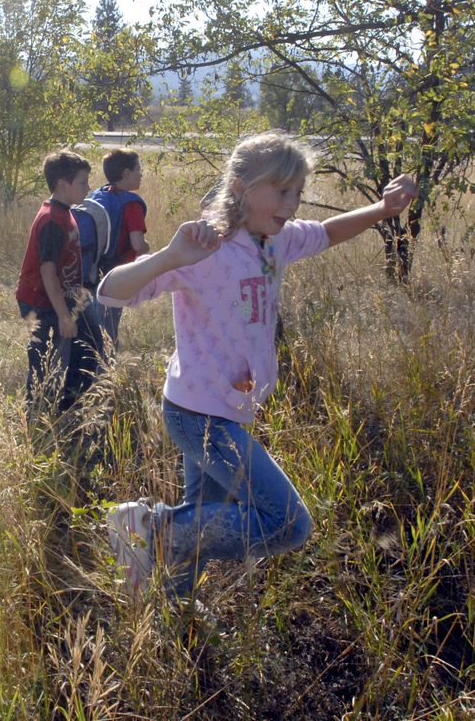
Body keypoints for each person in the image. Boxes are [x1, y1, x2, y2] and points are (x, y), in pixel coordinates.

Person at [100, 133, 416, 597]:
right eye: (281, 191)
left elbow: (327, 233)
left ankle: (172, 605)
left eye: (297, 193)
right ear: (243, 186)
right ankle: (153, 527)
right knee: (288, 524)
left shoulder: (274, 242)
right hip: (198, 415)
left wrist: (384, 212)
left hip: (224, 410)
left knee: (204, 516)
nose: (291, 204)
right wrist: (170, 255)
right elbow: (112, 291)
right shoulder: (207, 248)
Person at [15, 150, 106, 416]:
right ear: (63, 184)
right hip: (42, 303)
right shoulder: (52, 220)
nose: (88, 187)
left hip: (64, 300)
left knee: (88, 347)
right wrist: (64, 316)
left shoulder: (66, 212)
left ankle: (71, 406)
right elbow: (48, 272)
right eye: (82, 182)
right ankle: (38, 415)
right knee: (43, 360)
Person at [92, 149, 150, 346]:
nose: (141, 174)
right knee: (109, 328)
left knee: (95, 324)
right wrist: (147, 247)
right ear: (126, 174)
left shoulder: (98, 195)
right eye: (138, 169)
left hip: (92, 269)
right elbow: (138, 245)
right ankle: (106, 372)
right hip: (117, 273)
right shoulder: (131, 204)